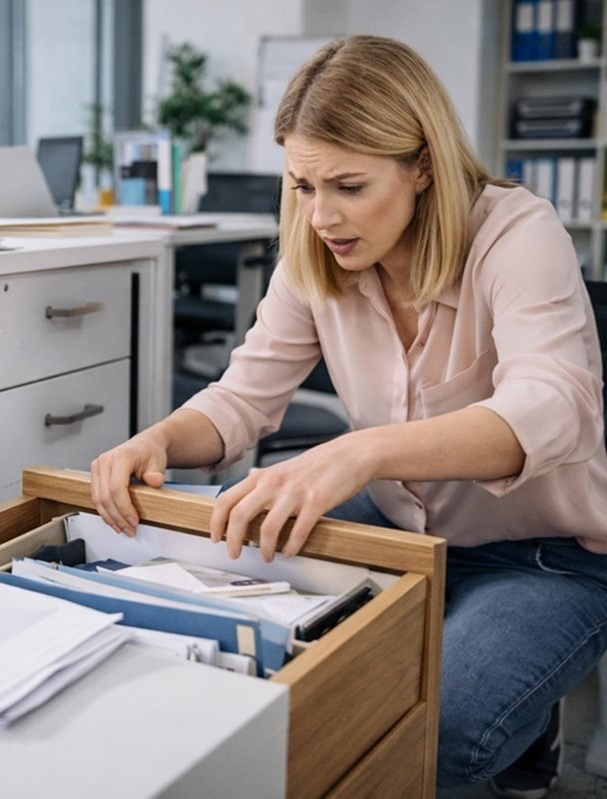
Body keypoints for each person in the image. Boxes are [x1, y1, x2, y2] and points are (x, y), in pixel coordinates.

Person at [91, 35, 607, 796]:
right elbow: (244, 397)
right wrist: (161, 436)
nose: (321, 214)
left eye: (348, 185)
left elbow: (555, 406)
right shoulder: (318, 248)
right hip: (400, 525)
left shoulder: (515, 232)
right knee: (267, 652)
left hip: (543, 551)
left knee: (433, 728)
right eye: (302, 185)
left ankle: (522, 723)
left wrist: (365, 450)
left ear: (422, 165)